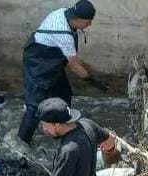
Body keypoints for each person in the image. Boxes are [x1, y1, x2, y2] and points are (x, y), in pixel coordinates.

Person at [17, 0, 107, 146]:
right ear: (77, 19)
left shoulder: (66, 13)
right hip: (37, 61)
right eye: (88, 22)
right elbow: (74, 65)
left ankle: (62, 126)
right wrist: (92, 80)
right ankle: (22, 142)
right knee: (35, 104)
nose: (89, 25)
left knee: (64, 93)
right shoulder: (63, 33)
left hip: (52, 59)